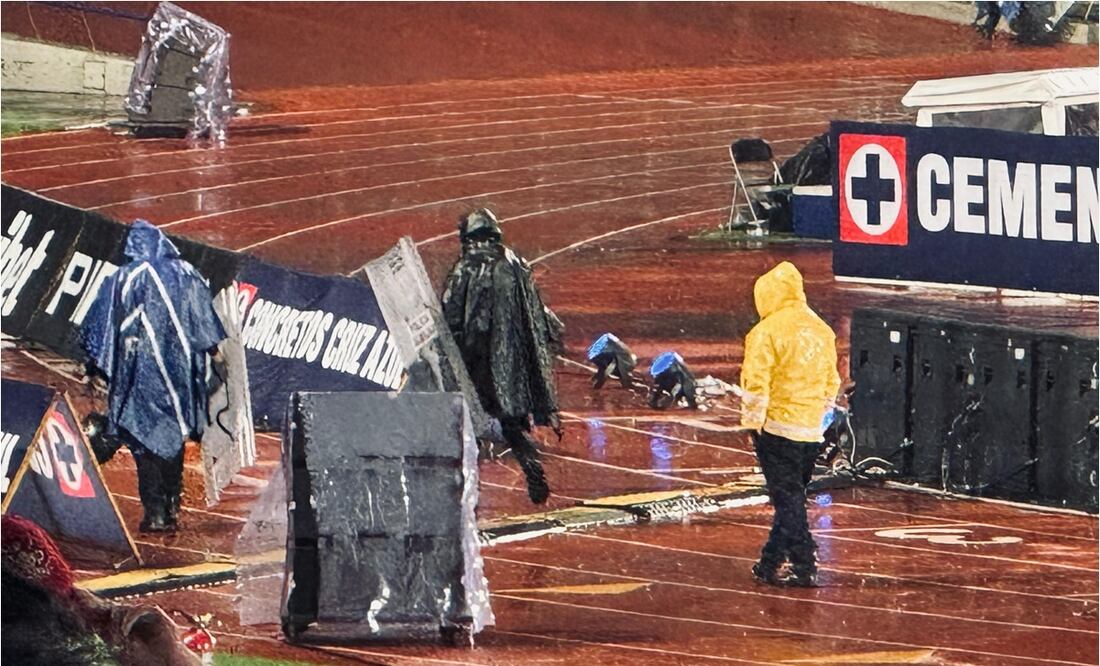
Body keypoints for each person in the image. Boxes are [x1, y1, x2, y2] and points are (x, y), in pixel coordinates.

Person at [81, 221, 226, 533]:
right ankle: (173, 504)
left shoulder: (121, 278)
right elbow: (203, 321)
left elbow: (99, 326)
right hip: (178, 375)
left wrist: (94, 367)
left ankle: (155, 512)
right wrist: (217, 356)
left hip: (134, 375)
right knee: (171, 436)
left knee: (142, 442)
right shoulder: (186, 274)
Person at [442, 208, 562, 504]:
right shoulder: (517, 263)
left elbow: (453, 311)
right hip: (514, 364)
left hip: (479, 355)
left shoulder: (467, 265)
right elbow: (537, 312)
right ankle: (530, 465)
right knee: (510, 422)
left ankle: (463, 487)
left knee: (463, 416)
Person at [739, 261, 840, 587]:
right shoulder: (822, 330)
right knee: (792, 497)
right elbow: (832, 382)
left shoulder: (765, 332)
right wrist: (819, 417)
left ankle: (804, 560)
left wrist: (752, 423)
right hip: (810, 430)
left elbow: (757, 383)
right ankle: (769, 562)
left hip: (777, 429)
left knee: (788, 501)